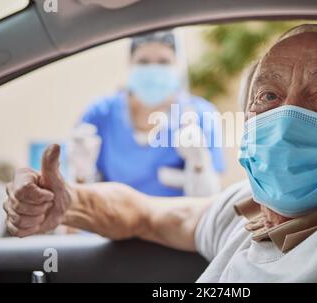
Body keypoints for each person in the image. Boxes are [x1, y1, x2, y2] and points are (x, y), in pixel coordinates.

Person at [4, 24, 317, 282]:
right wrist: (68, 202)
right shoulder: (253, 207)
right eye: (268, 95)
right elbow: (146, 214)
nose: (287, 116)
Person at [73, 30, 224, 196]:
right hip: (115, 219)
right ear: (130, 64)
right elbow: (82, 196)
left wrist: (199, 162)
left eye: (163, 62)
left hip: (176, 220)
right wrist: (81, 173)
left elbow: (209, 201)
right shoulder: (101, 114)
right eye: (143, 62)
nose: (153, 70)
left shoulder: (200, 114)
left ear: (177, 66)